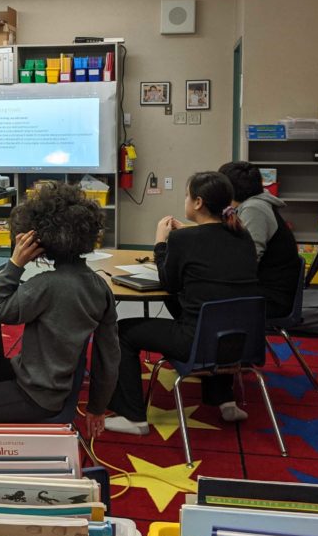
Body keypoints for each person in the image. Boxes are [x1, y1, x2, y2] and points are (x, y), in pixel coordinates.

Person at [0, 182, 120, 436]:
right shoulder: (99, 286)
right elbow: (109, 358)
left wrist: (15, 264)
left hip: (37, 394)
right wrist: (97, 407)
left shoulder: (45, 286)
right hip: (54, 384)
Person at [105, 172, 258, 435]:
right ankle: (224, 399)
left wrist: (160, 243)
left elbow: (169, 283)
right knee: (216, 312)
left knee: (122, 332)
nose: (185, 200)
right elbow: (211, 245)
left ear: (198, 202)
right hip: (243, 342)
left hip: (195, 341)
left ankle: (133, 417)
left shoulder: (182, 241)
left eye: (187, 196)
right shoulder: (242, 236)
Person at [219, 161, 301, 318]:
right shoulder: (252, 204)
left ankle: (206, 338)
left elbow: (248, 258)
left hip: (270, 297)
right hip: (263, 289)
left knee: (196, 293)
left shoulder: (254, 209)